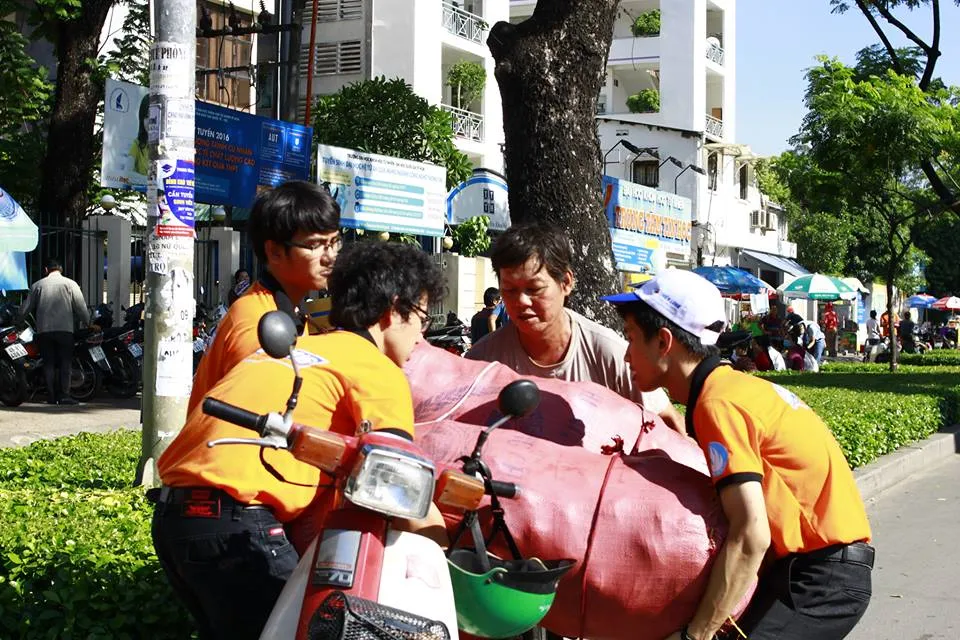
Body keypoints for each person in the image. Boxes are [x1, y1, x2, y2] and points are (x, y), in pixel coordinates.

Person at [152, 241, 447, 640]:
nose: (421, 338)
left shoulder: (299, 350)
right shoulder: (376, 369)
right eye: (423, 319)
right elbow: (401, 484)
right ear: (393, 310)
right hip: (238, 522)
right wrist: (447, 562)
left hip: (175, 519)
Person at [602, 269, 873, 640]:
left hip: (819, 580)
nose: (627, 353)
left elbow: (750, 535)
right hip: (811, 571)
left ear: (664, 341)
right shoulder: (729, 390)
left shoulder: (719, 405)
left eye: (631, 338)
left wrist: (696, 635)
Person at [466, 224, 684, 434]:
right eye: (510, 290)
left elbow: (670, 423)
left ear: (566, 283)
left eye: (534, 289)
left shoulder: (611, 354)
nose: (521, 301)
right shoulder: (481, 363)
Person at [188, 181, 341, 413]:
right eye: (316, 245)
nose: (330, 257)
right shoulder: (257, 326)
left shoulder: (287, 312)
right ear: (275, 251)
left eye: (333, 243)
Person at [17, 258, 91, 405]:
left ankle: (51, 396)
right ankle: (64, 395)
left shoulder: (37, 285)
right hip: (65, 331)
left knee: (48, 363)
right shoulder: (70, 284)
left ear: (46, 270)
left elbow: (26, 309)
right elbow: (81, 307)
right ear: (61, 269)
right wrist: (88, 322)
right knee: (65, 363)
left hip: (44, 331)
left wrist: (18, 322)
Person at [128, 94, 150, 176]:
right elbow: (126, 172)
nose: (151, 121)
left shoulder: (167, 146)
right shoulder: (137, 144)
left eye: (155, 116)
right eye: (147, 116)